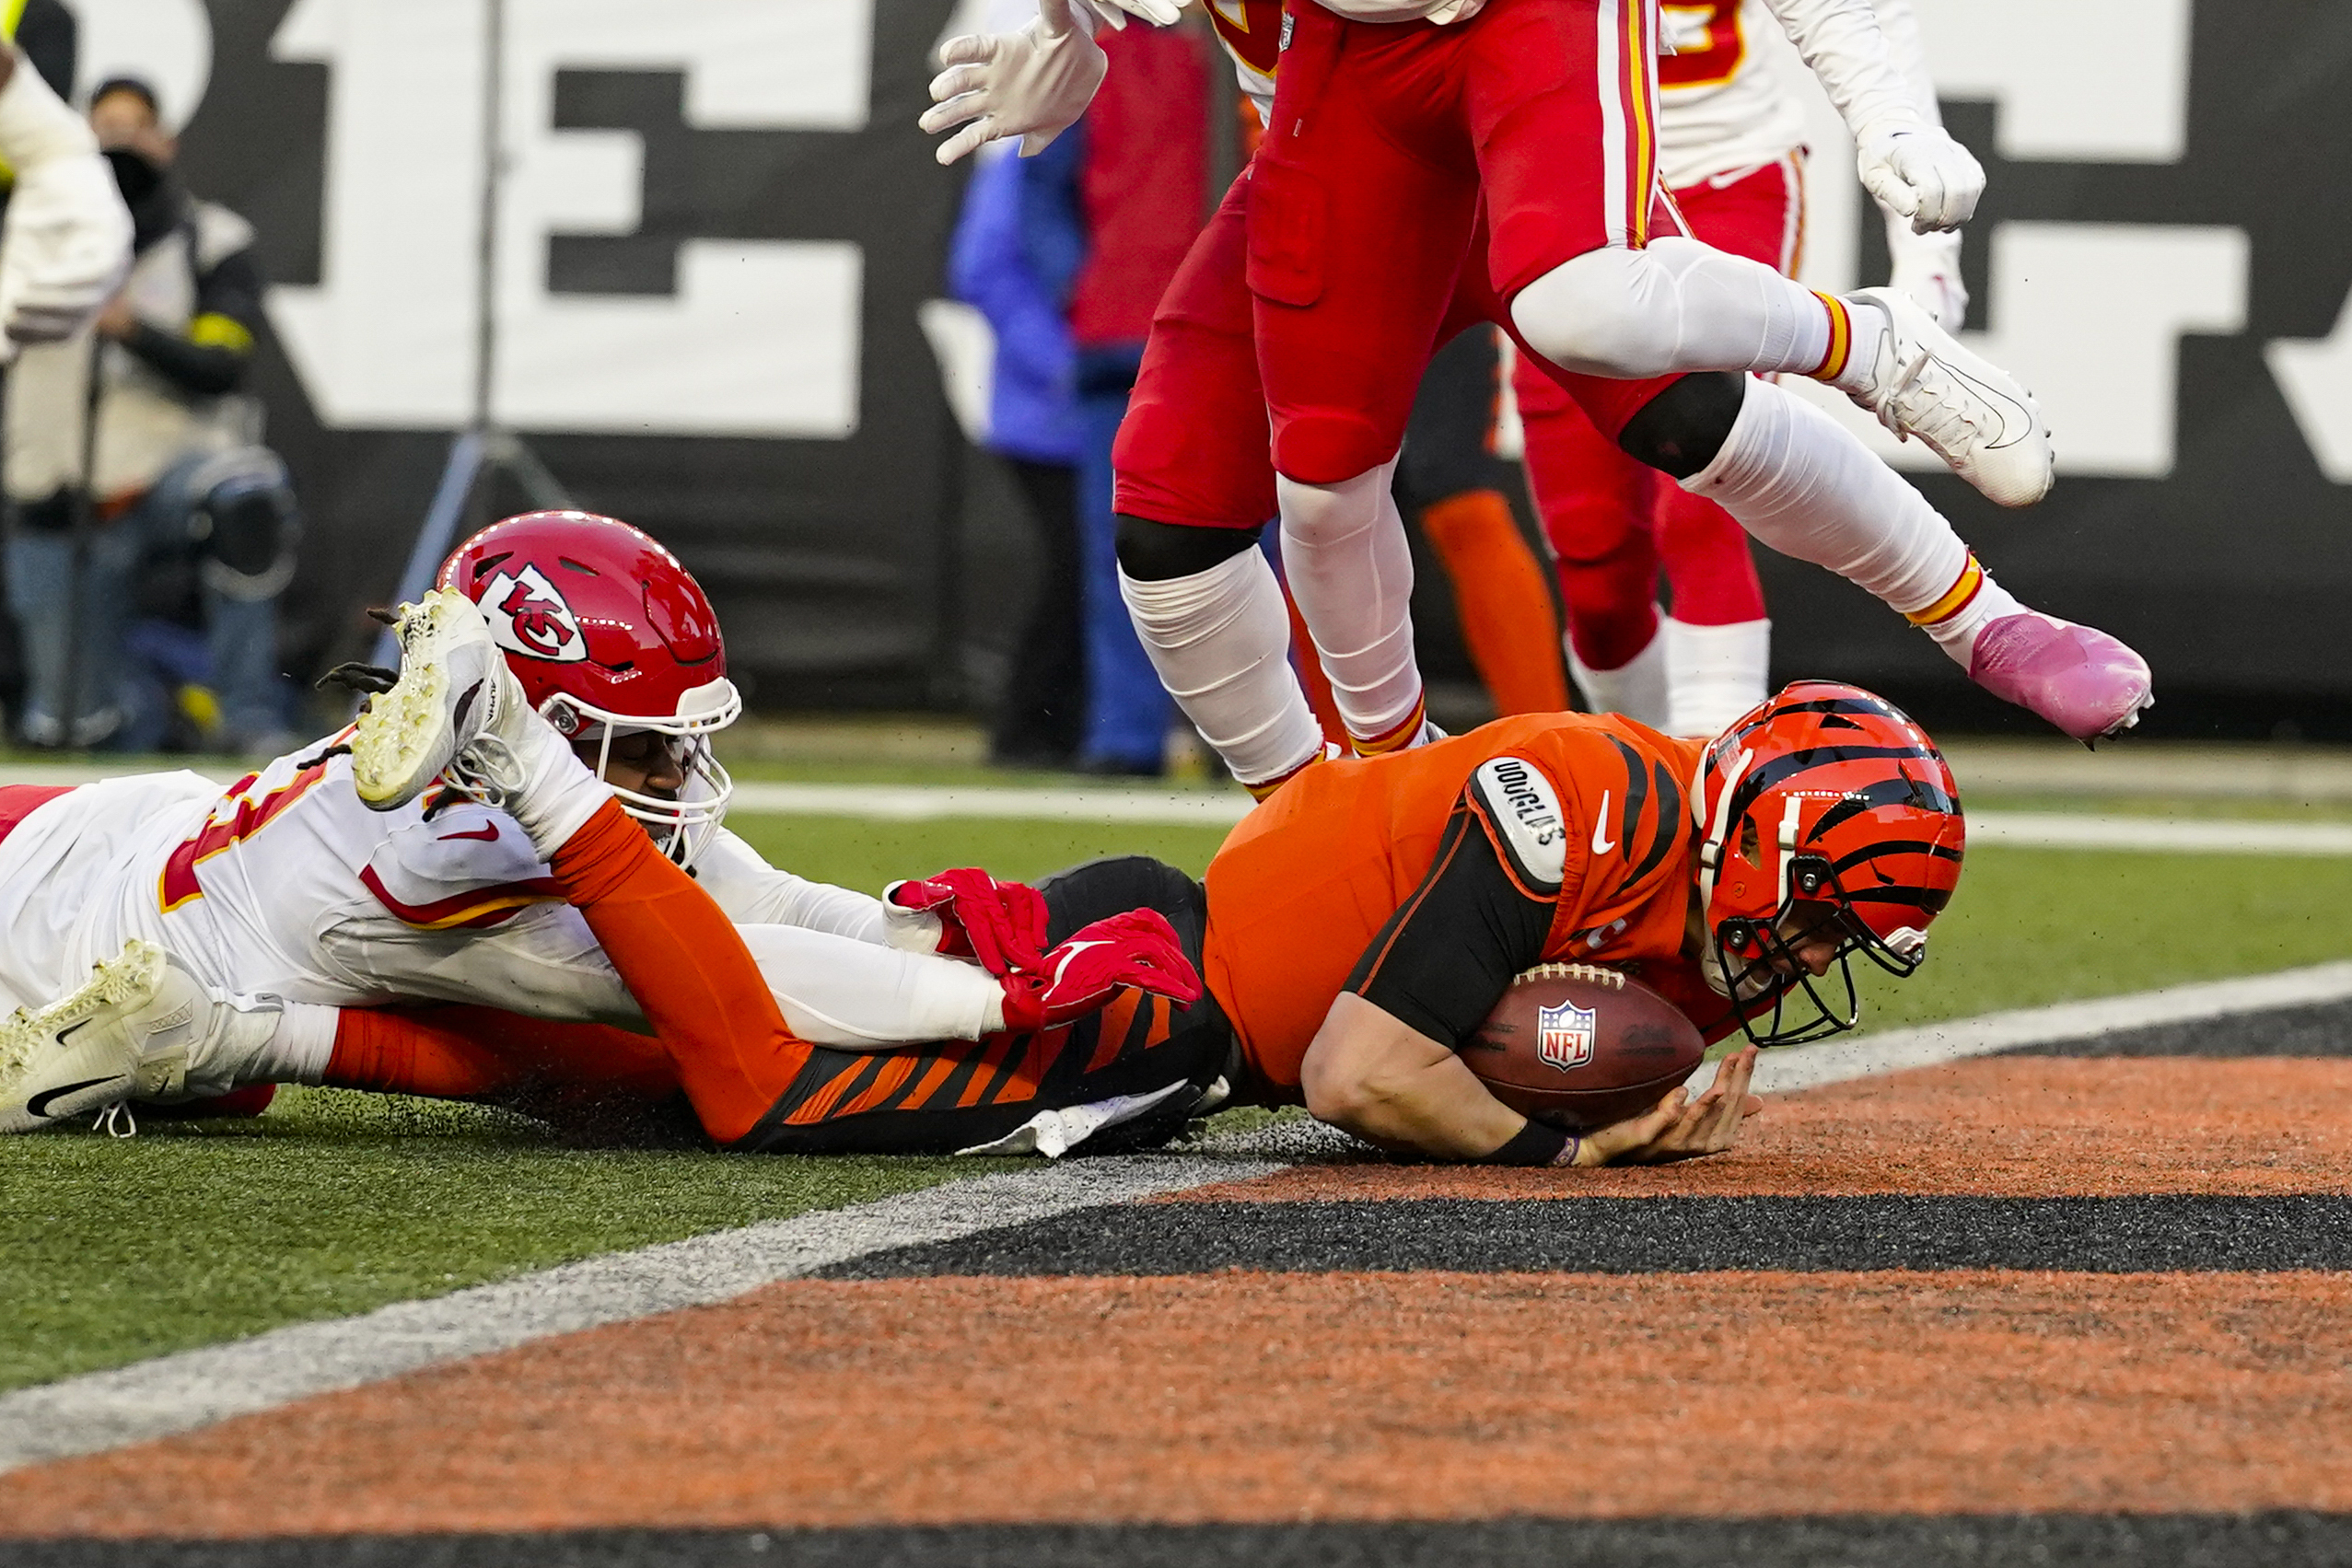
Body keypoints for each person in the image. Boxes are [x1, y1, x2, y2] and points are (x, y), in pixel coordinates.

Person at [4, 658, 1957, 1169]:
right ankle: (261, 1017)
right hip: (1123, 1001)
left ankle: (235, 1038)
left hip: (1128, 952)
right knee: (714, 1081)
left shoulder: (1656, 815)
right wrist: (1555, 1127)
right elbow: (1368, 1065)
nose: (1794, 972)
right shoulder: (1573, 796)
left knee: (619, 1045)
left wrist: (1677, 1059)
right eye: (638, 738)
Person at [923, 0, 2152, 807]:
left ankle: (1966, 585)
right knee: (1202, 508)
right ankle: (1336, 825)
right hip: (1339, 131)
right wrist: (1062, 30)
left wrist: (1890, 115)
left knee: (1652, 382)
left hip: (1532, 84)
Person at [0, 511, 1205, 1153]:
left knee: (563, 1063)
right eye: (642, 743)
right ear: (522, 729)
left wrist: (949, 936)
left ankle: (218, 1032)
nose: (678, 771)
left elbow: (771, 901)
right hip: (48, 937)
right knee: (632, 1070)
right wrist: (999, 998)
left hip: (131, 837)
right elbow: (748, 986)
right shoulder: (458, 858)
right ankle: (215, 1032)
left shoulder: (489, 796)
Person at [1523, 0, 1964, 740]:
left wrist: (1928, 255)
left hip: (1723, 174)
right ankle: (1649, 796)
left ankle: (1710, 806)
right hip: (1570, 194)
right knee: (1596, 565)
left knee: (1711, 490)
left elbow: (1870, 14)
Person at [5, 75, 294, 753]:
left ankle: (248, 716)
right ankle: (164, 701)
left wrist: (131, 327)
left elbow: (225, 364)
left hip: (170, 477)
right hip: (62, 501)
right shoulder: (25, 231)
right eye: (103, 127)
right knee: (80, 731)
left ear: (166, 141)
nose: (120, 144)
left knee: (247, 494)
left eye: (136, 127)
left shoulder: (211, 239)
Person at [946, 126, 1089, 768]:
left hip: (1085, 400)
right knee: (1078, 567)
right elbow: (982, 267)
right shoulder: (1030, 153)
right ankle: (1030, 730)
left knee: (1090, 571)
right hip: (1052, 413)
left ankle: (1054, 731)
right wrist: (1071, 364)